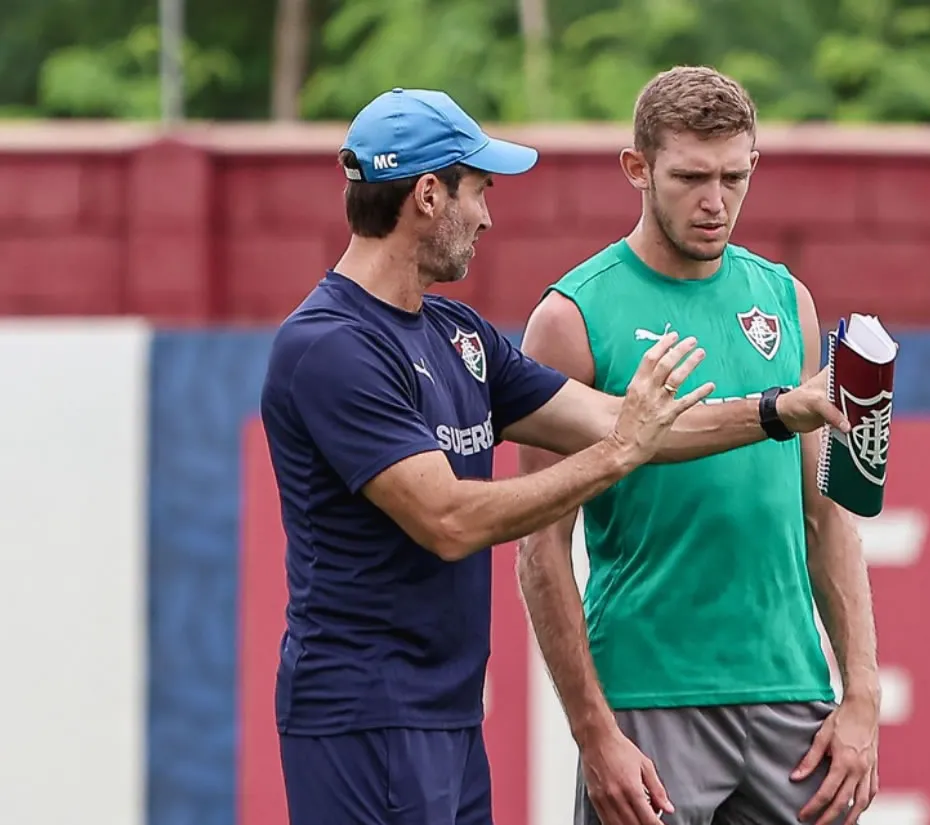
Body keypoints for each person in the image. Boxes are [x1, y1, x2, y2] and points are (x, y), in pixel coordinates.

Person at [258, 86, 849, 825]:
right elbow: (447, 517)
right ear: (429, 195)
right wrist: (612, 457)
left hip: (447, 711)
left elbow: (627, 423)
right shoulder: (328, 347)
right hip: (360, 713)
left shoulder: (456, 334)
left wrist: (778, 411)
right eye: (479, 191)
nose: (487, 216)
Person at [516, 66, 882, 825]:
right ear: (637, 168)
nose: (715, 203)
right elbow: (540, 550)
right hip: (649, 700)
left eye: (733, 176)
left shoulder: (786, 298)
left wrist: (861, 698)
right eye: (689, 177)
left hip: (793, 699)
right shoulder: (571, 317)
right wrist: (594, 733)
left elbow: (827, 516)